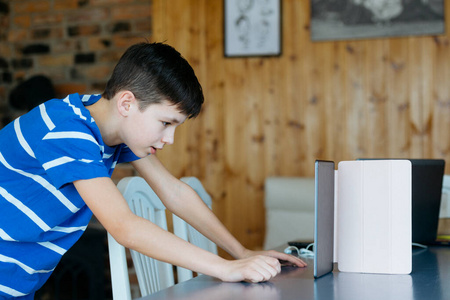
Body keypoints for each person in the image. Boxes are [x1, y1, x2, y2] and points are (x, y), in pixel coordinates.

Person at [0, 42, 306, 299]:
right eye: (165, 123)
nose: (169, 139)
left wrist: (240, 252)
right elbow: (124, 227)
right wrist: (224, 267)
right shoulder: (67, 131)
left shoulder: (107, 124)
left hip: (20, 281)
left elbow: (173, 191)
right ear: (127, 103)